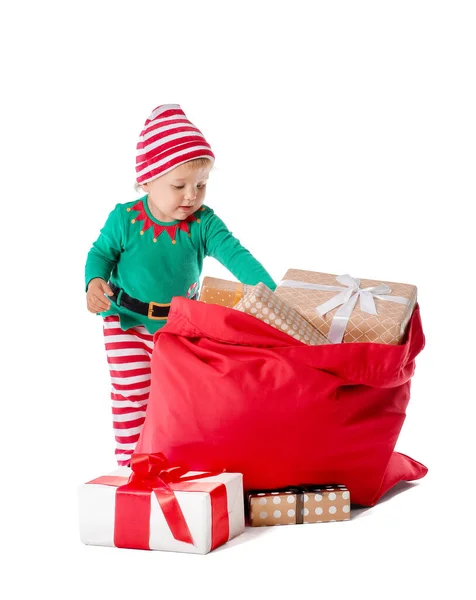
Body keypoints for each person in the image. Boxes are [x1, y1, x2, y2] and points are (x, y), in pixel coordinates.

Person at [85, 103, 277, 466]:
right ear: (146, 180)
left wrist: (272, 295)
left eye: (201, 185)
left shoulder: (203, 223)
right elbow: (100, 255)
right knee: (133, 392)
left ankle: (176, 454)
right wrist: (94, 282)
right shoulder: (124, 219)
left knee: (182, 393)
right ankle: (132, 462)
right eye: (179, 185)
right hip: (125, 320)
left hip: (179, 325)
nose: (191, 195)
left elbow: (238, 257)